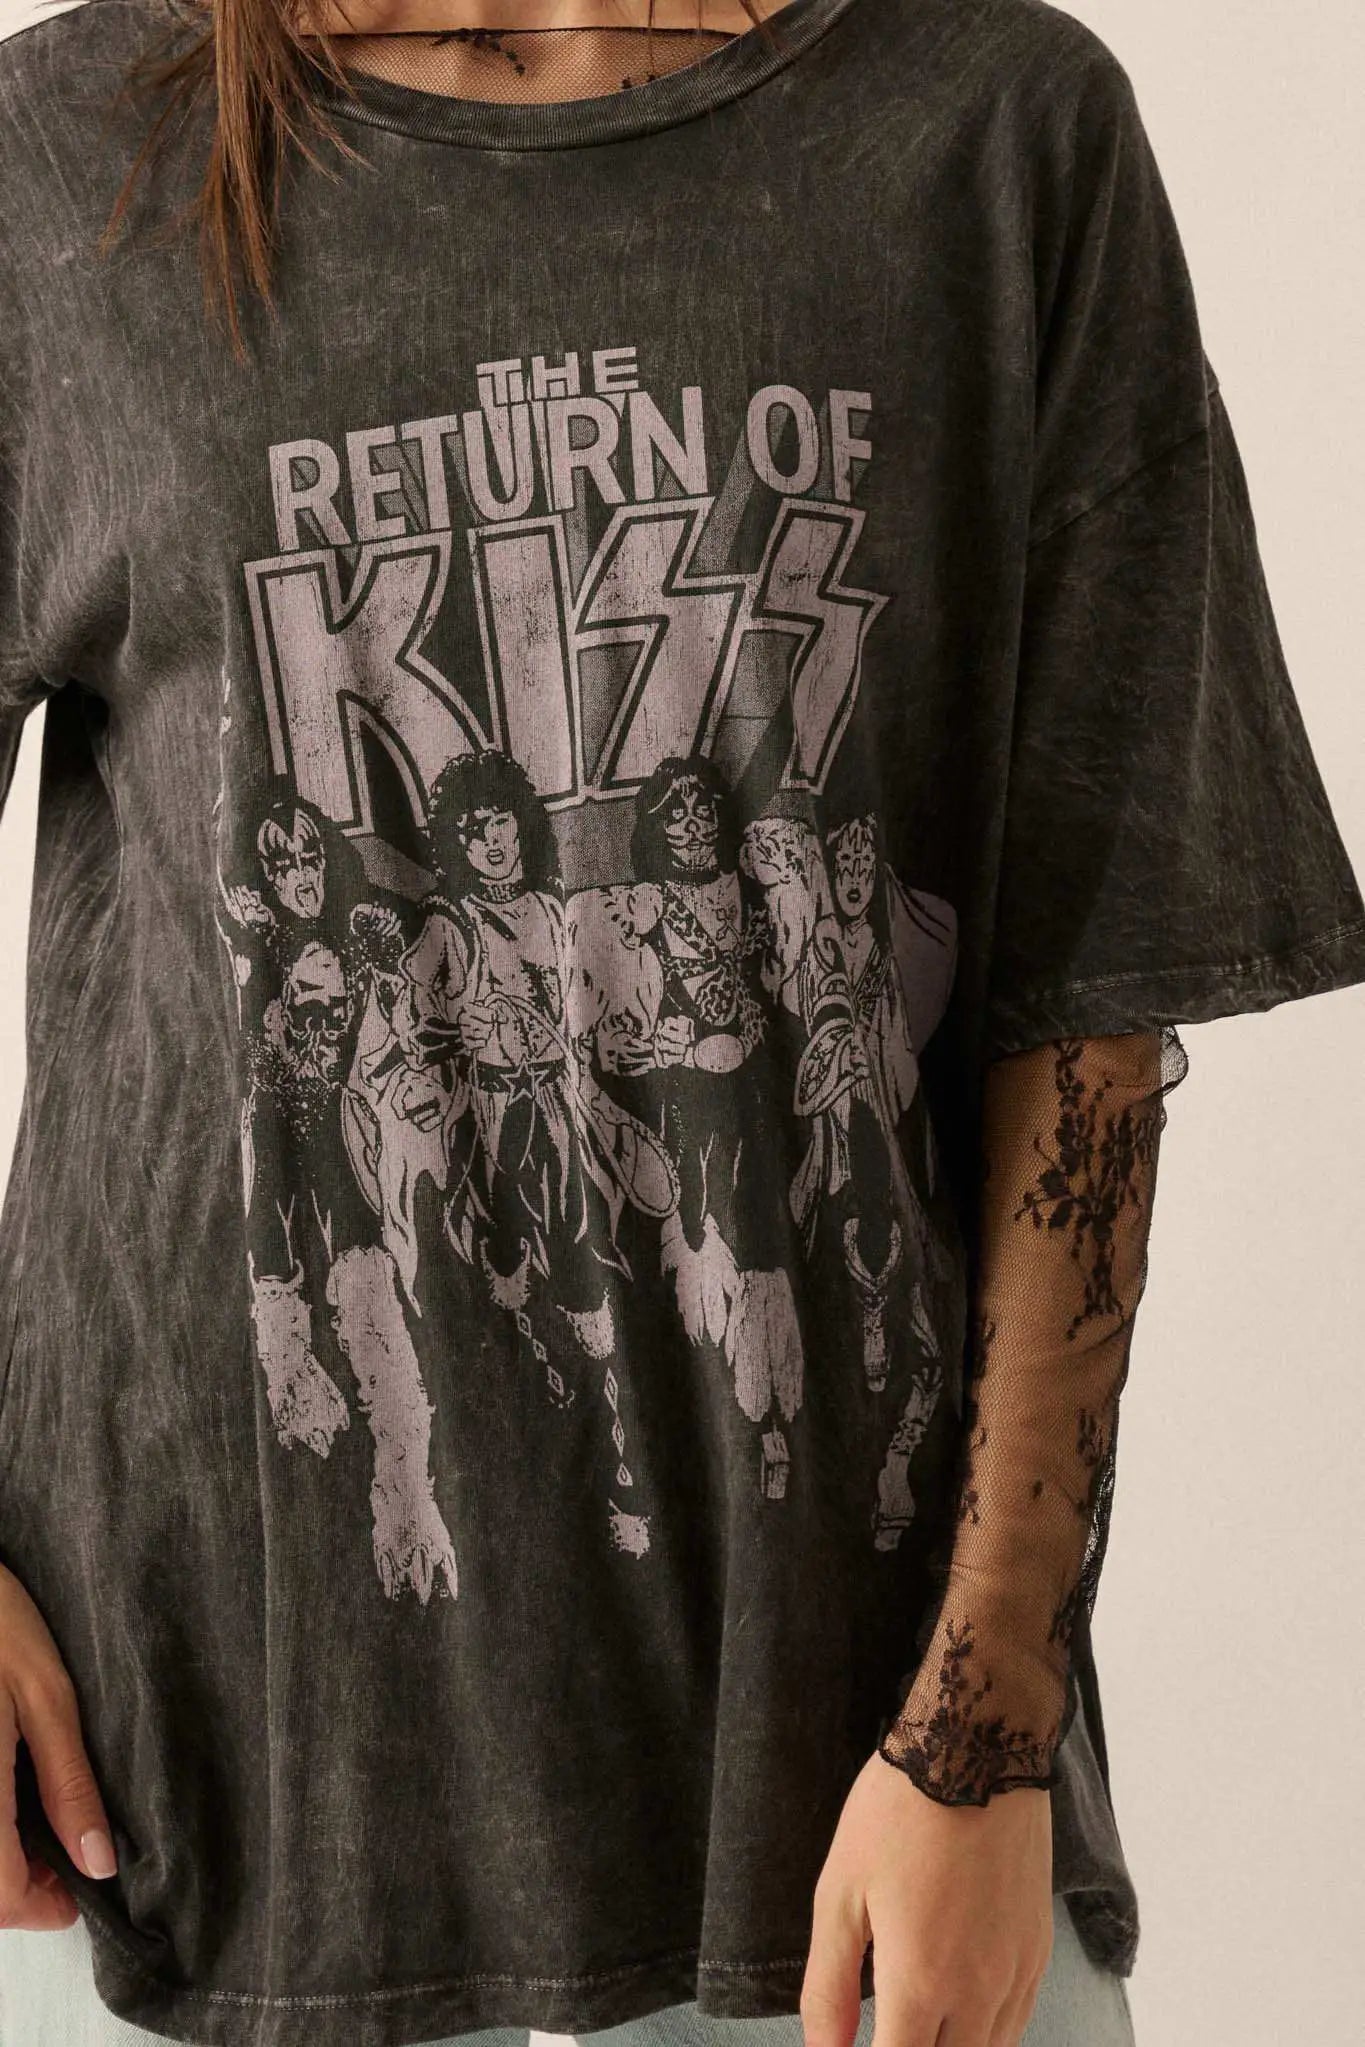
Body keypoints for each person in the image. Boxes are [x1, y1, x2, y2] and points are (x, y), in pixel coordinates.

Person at [0, 4, 1361, 2047]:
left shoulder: (993, 137)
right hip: (195, 1805)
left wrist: (979, 1730)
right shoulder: (61, 157)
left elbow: (1085, 1008)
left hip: (860, 1826)